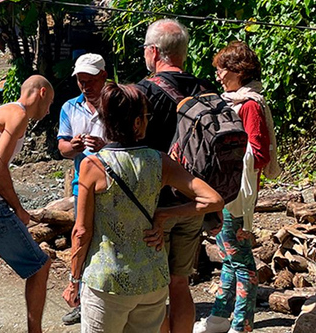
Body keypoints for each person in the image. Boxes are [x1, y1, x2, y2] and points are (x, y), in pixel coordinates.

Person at [62, 83, 224, 333]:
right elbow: (213, 200)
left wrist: (74, 281)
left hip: (106, 280)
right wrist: (164, 215)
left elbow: (81, 232)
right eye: (146, 116)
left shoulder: (94, 166)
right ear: (137, 123)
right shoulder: (160, 161)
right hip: (152, 279)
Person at [135, 18, 215, 333]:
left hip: (153, 209)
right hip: (193, 203)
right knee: (180, 283)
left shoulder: (142, 92)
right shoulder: (206, 90)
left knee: (152, 292)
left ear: (154, 52)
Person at [194, 42, 278, 333]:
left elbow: (260, 152)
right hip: (223, 189)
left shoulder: (250, 104)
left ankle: (243, 323)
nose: (217, 75)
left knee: (240, 259)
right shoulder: (229, 101)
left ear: (237, 71)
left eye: (221, 69)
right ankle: (219, 317)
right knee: (229, 256)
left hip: (235, 195)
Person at [0, 75, 55, 333]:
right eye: (49, 103)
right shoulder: (18, 114)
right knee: (40, 266)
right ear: (40, 93)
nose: (49, 110)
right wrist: (18, 208)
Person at [58, 53, 108, 326]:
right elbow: (62, 146)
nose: (86, 86)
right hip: (83, 185)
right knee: (82, 239)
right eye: (81, 81)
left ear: (103, 77)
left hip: (115, 184)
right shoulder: (69, 107)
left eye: (90, 81)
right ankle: (81, 300)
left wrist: (105, 145)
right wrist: (73, 147)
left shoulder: (117, 103)